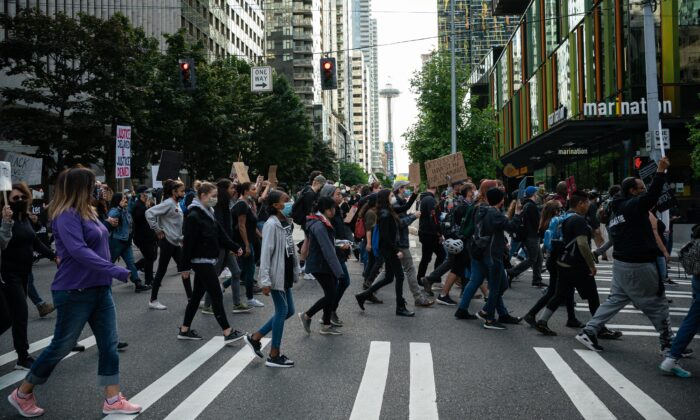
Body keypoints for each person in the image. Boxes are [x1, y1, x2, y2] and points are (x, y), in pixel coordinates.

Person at [7, 167, 141, 417]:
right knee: (61, 345)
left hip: (100, 289)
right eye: (94, 184)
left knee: (109, 344)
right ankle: (22, 393)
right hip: (74, 290)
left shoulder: (88, 210)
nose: (98, 187)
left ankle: (112, 399)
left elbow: (99, 242)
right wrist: (115, 270)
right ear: (81, 187)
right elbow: (79, 251)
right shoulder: (65, 215)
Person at [576, 157, 680, 354]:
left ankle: (589, 331)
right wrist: (659, 172)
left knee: (616, 299)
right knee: (657, 303)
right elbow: (652, 197)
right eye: (641, 188)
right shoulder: (631, 206)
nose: (644, 191)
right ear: (632, 191)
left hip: (623, 263)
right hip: (639, 264)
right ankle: (668, 345)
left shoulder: (617, 209)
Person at [532, 191, 620, 339]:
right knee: (593, 296)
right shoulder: (578, 220)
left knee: (559, 295)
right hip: (577, 265)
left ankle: (542, 320)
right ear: (580, 203)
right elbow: (582, 244)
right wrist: (591, 264)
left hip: (563, 262)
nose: (588, 206)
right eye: (587, 203)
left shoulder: (565, 218)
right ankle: (599, 328)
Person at [177, 182, 246, 343]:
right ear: (202, 196)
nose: (215, 199)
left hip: (207, 259)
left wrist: (235, 247)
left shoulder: (208, 212)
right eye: (213, 196)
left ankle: (184, 329)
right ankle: (228, 332)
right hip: (200, 261)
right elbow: (188, 244)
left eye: (216, 196)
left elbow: (220, 234)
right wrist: (184, 267)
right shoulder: (194, 215)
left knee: (196, 297)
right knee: (216, 294)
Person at [0, 182, 57, 371]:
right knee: (16, 316)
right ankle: (23, 357)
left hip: (24, 274)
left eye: (23, 197)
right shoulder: (4, 219)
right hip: (7, 275)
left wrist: (54, 256)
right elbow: (3, 244)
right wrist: (5, 221)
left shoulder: (24, 218)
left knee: (13, 317)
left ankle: (22, 357)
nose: (20, 200)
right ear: (7, 200)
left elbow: (35, 243)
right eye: (15, 198)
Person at [244, 191, 300, 367]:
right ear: (276, 205)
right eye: (286, 200)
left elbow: (290, 249)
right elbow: (266, 253)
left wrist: (296, 268)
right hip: (276, 275)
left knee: (289, 310)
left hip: (285, 274)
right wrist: (265, 280)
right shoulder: (271, 224)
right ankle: (274, 355)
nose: (289, 203)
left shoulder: (285, 222)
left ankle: (256, 337)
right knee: (282, 310)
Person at [355, 189, 415, 317]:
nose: (393, 197)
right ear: (385, 198)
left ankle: (364, 295)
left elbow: (406, 206)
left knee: (388, 277)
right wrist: (396, 251)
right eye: (391, 195)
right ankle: (400, 307)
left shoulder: (389, 210)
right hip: (388, 250)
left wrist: (414, 194)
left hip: (387, 249)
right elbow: (386, 236)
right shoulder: (385, 214)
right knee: (399, 276)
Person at [372, 181, 433, 307]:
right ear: (399, 189)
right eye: (405, 187)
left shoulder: (395, 204)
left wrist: (415, 194)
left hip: (396, 243)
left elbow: (404, 209)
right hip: (398, 242)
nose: (406, 189)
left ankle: (370, 291)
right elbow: (398, 224)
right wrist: (413, 217)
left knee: (387, 272)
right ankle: (417, 298)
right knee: (408, 269)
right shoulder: (389, 209)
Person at [522, 200, 580, 328]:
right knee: (553, 292)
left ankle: (572, 318)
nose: (563, 209)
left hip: (552, 259)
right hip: (557, 260)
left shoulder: (547, 221)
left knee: (568, 289)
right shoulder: (556, 221)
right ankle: (532, 314)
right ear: (555, 211)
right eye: (560, 208)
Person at [298, 196, 345, 335]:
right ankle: (307, 315)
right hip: (320, 264)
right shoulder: (319, 225)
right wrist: (339, 271)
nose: (335, 210)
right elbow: (327, 249)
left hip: (323, 263)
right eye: (334, 208)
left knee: (330, 293)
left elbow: (327, 245)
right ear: (327, 210)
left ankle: (326, 324)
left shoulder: (320, 221)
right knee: (330, 295)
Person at [659, 224, 700, 377]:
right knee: (693, 320)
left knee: (693, 319)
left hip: (698, 277)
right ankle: (672, 357)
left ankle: (672, 357)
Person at [203, 179, 248, 314]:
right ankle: (207, 305)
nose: (234, 190)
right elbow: (220, 230)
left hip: (226, 246)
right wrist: (233, 246)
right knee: (214, 276)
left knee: (236, 272)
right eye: (231, 188)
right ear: (224, 190)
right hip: (220, 247)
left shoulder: (225, 204)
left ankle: (237, 303)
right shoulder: (217, 206)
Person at [146, 179, 188, 310]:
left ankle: (191, 299)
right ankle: (153, 300)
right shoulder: (169, 203)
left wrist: (180, 237)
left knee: (184, 269)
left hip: (175, 242)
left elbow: (174, 224)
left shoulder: (176, 203)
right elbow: (149, 213)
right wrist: (157, 229)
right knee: (161, 271)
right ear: (174, 192)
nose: (184, 193)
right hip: (167, 242)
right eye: (182, 191)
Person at [319, 183, 353, 326]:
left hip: (340, 252)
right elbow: (329, 238)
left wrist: (347, 247)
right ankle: (322, 313)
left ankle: (328, 314)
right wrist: (341, 245)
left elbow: (342, 230)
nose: (340, 196)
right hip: (333, 255)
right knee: (341, 283)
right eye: (337, 194)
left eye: (340, 194)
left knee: (338, 284)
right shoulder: (328, 214)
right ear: (329, 196)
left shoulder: (337, 210)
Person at [107, 193, 151, 292]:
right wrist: (119, 207)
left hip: (126, 243)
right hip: (116, 242)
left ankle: (138, 283)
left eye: (125, 199)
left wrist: (135, 199)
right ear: (118, 201)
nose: (125, 200)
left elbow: (132, 209)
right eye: (123, 199)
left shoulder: (125, 210)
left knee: (131, 263)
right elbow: (111, 217)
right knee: (109, 263)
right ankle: (101, 284)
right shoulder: (115, 210)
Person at [232, 182, 265, 308]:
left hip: (249, 240)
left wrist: (260, 235)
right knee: (249, 269)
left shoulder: (247, 203)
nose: (256, 191)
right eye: (253, 189)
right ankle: (250, 298)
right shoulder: (241, 204)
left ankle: (223, 287)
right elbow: (241, 226)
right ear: (246, 191)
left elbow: (251, 224)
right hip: (243, 241)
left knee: (242, 269)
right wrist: (246, 245)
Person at [507, 186, 546, 288]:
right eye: (536, 193)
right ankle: (512, 272)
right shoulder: (530, 206)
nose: (538, 195)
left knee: (539, 259)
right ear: (533, 194)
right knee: (532, 259)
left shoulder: (527, 205)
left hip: (529, 236)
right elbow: (536, 223)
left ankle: (537, 280)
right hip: (531, 236)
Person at [417, 185, 445, 283]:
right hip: (430, 234)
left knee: (426, 257)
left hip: (426, 232)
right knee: (441, 255)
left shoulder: (426, 198)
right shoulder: (430, 199)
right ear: (435, 187)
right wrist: (439, 233)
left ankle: (421, 279)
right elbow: (434, 219)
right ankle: (433, 279)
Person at [131, 186, 158, 287]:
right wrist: (146, 208)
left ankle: (133, 268)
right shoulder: (137, 206)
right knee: (149, 257)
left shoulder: (147, 204)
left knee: (152, 256)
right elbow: (139, 219)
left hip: (150, 235)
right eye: (147, 192)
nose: (149, 194)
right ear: (142, 194)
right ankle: (149, 280)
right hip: (142, 237)